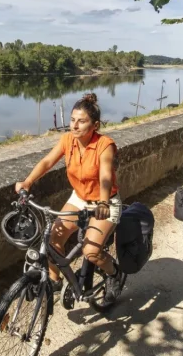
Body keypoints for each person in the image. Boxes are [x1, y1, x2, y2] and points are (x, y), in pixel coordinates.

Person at [15, 93, 125, 303]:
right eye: (73, 120)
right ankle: (55, 281)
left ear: (95, 125)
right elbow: (47, 162)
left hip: (106, 202)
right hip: (80, 198)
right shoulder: (67, 140)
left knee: (91, 251)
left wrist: (102, 202)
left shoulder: (105, 144)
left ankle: (114, 274)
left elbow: (104, 176)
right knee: (53, 240)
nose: (74, 125)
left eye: (81, 121)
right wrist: (28, 182)